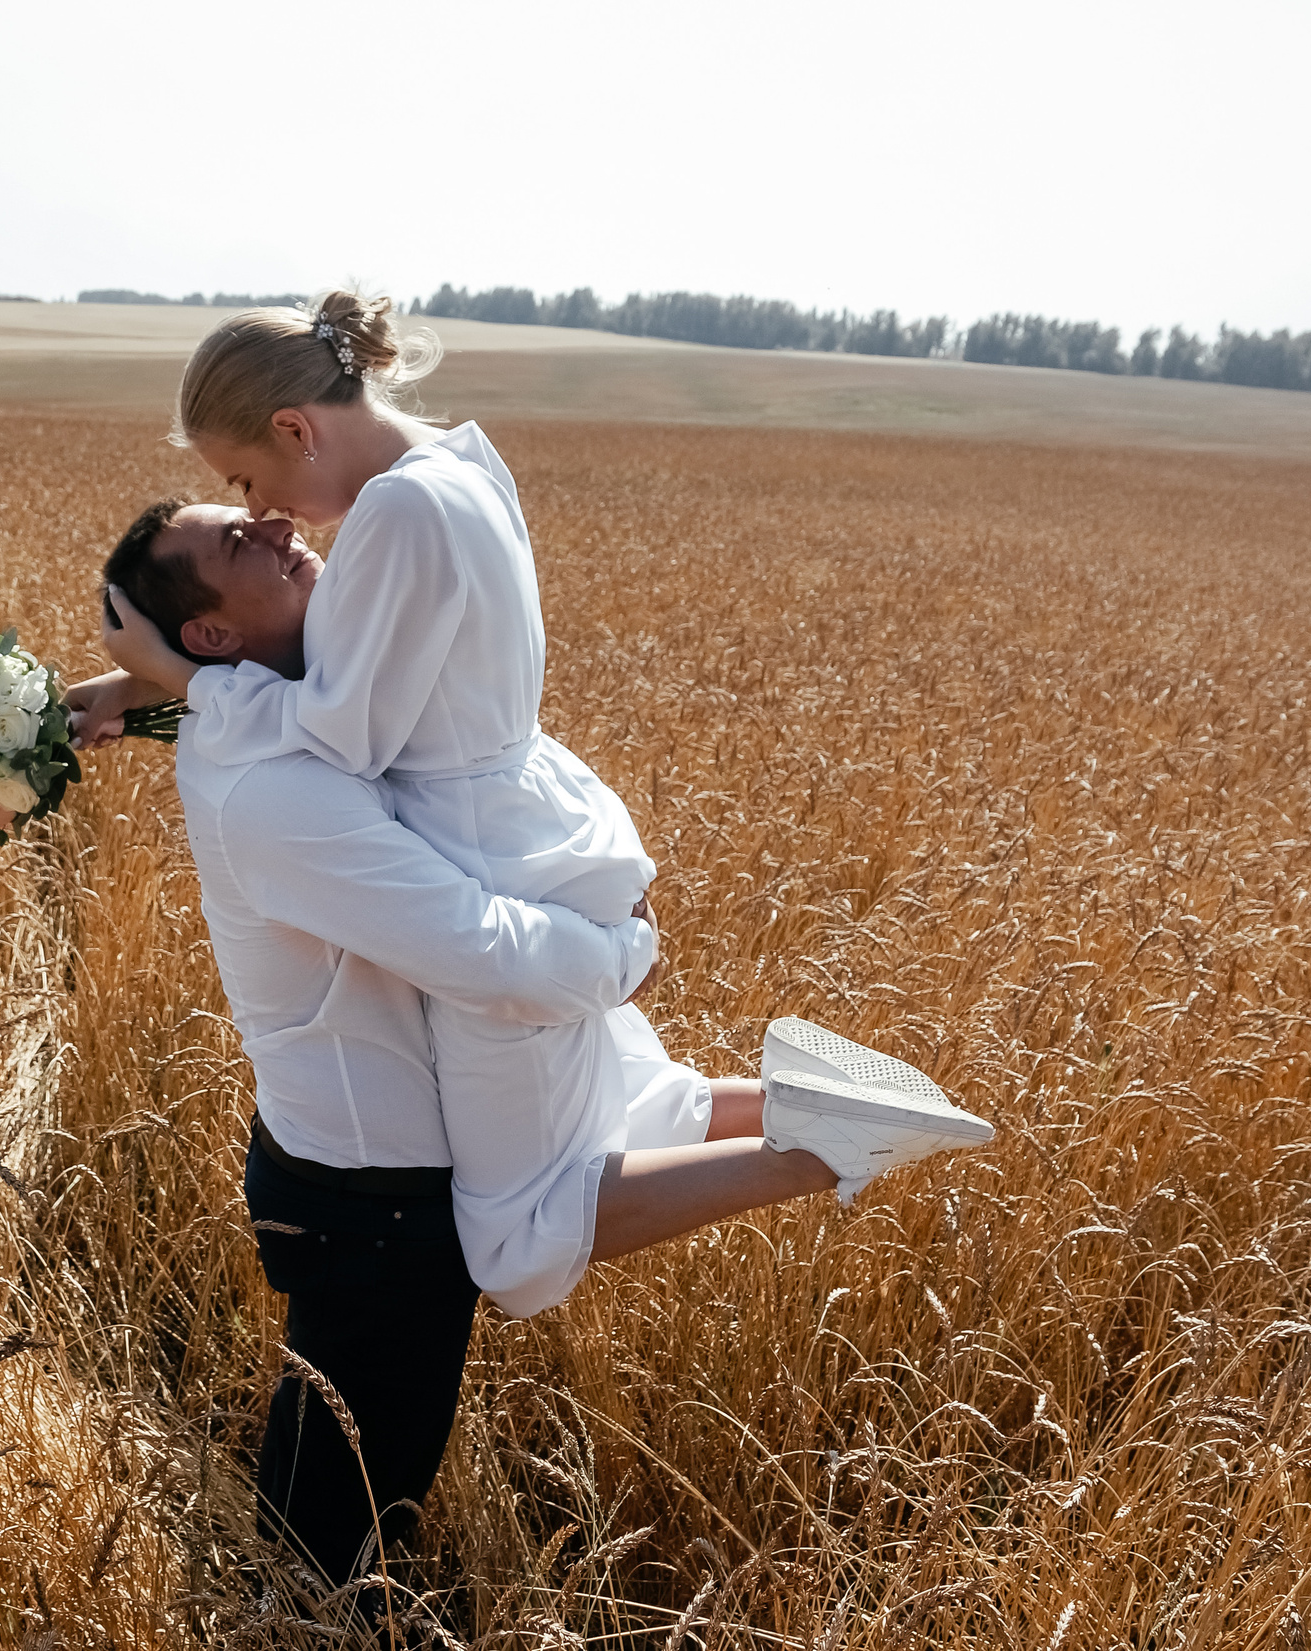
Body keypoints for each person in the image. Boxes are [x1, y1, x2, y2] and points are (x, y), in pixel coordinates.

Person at [64, 500, 982, 1589]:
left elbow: (282, 694)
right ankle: (816, 1136)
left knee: (604, 1141)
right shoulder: (272, 790)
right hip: (370, 1197)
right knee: (333, 1535)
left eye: (252, 510)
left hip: (391, 1146)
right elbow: (477, 948)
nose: (270, 523)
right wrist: (623, 955)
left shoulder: (303, 703)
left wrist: (151, 683)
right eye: (235, 543)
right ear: (212, 630)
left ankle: (821, 1132)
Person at [91, 294, 991, 1319]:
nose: (267, 512)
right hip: (537, 823)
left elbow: (341, 732)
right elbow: (359, 656)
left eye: (245, 481)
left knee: (517, 1237)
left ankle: (825, 1146)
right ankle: (818, 1102)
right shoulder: (463, 466)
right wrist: (139, 684)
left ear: (295, 428)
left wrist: (187, 677)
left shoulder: (395, 513)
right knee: (626, 1100)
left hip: (489, 865)